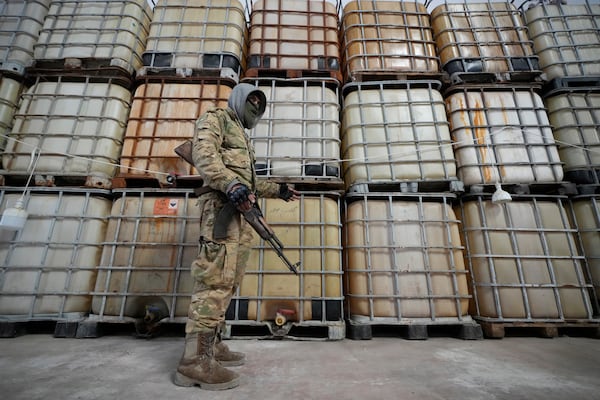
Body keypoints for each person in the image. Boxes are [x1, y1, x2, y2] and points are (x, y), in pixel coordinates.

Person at [174, 83, 300, 390]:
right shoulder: (215, 119)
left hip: (240, 218)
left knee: (229, 281)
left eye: (260, 104)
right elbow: (204, 156)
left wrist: (279, 190)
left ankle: (212, 346)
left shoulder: (242, 135)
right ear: (239, 98)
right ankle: (194, 362)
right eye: (251, 101)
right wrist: (230, 185)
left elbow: (249, 184)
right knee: (214, 281)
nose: (255, 107)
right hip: (220, 212)